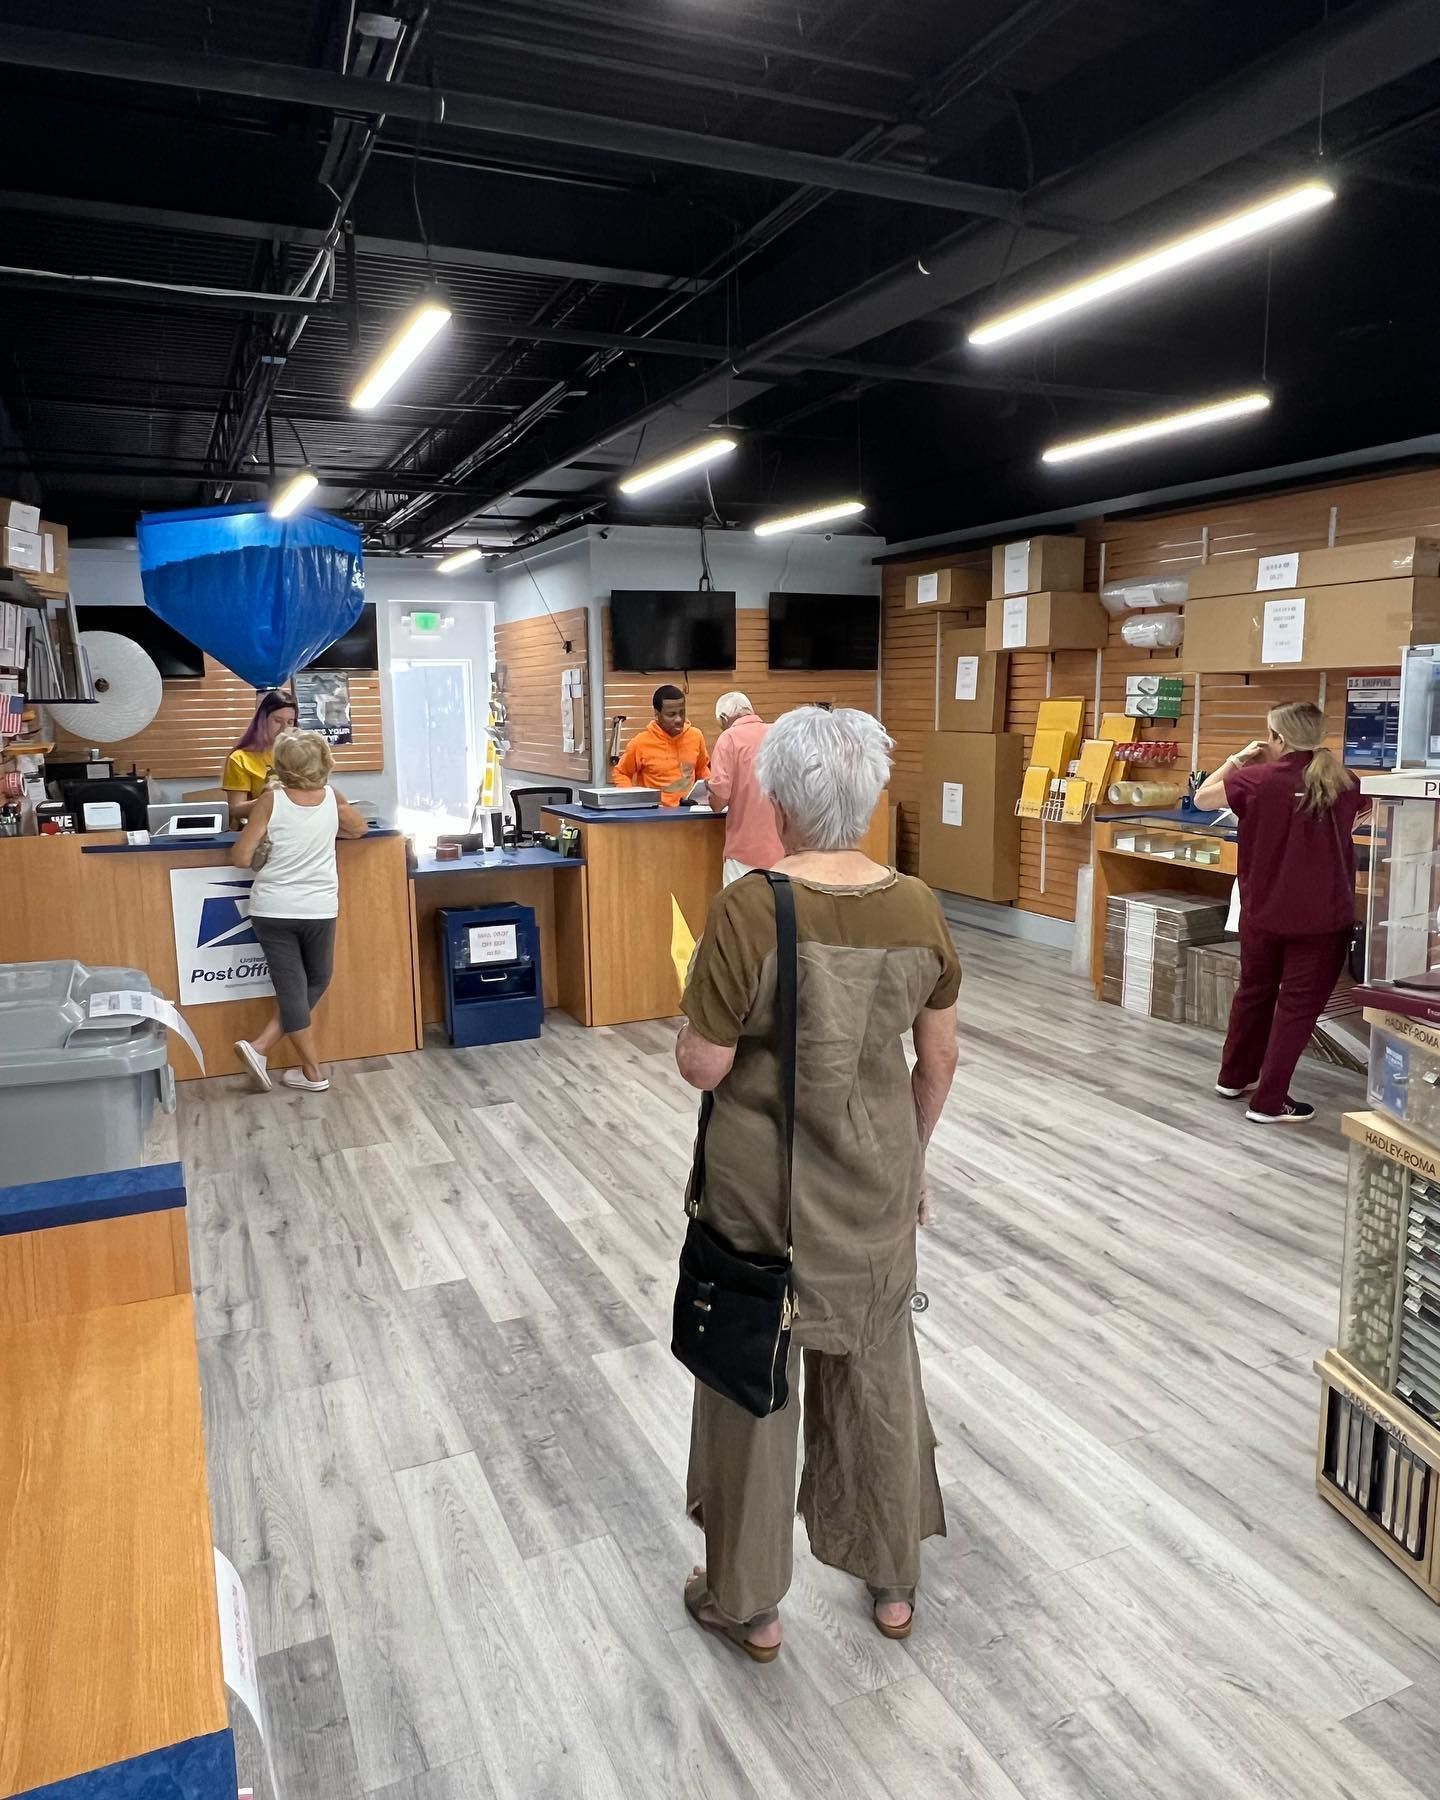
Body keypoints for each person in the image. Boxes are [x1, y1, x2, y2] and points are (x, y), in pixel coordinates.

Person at [674, 706, 960, 1660]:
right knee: (880, 1371)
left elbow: (704, 1067)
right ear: (870, 800)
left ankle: (747, 1603)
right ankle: (891, 1587)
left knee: (753, 1380)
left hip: (764, 1190)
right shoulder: (917, 904)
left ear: (778, 798)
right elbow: (939, 1059)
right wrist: (912, 1157)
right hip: (876, 1175)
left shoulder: (750, 907)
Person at [1195, 700, 1361, 1125]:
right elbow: (1358, 816)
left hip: (1263, 912)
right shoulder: (1345, 782)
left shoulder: (1254, 779)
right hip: (1322, 919)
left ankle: (1234, 1078)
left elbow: (1202, 799)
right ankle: (1269, 1101)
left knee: (1253, 992)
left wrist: (1236, 759)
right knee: (1298, 1008)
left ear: (1278, 738)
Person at [230, 728, 369, 1094]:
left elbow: (241, 857)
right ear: (325, 761)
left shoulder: (270, 802)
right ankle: (310, 1070)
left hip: (272, 908)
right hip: (319, 908)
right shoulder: (331, 798)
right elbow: (359, 830)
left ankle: (262, 1047)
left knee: (294, 987)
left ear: (280, 765)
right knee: (316, 980)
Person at [708, 692, 785, 883]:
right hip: (785, 848)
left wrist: (710, 793)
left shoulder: (729, 739)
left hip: (745, 852)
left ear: (724, 718)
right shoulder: (779, 734)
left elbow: (719, 800)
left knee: (739, 909)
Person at [613, 684, 710, 805]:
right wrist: (632, 801)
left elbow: (702, 770)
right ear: (657, 714)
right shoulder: (640, 742)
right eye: (671, 714)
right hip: (655, 815)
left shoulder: (696, 736)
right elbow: (621, 773)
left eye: (682, 713)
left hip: (689, 812)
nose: (679, 719)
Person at [223, 690, 298, 822]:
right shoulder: (240, 759)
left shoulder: (299, 754)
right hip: (258, 828)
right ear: (263, 721)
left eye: (290, 722)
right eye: (277, 721)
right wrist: (269, 800)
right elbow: (235, 809)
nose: (284, 729)